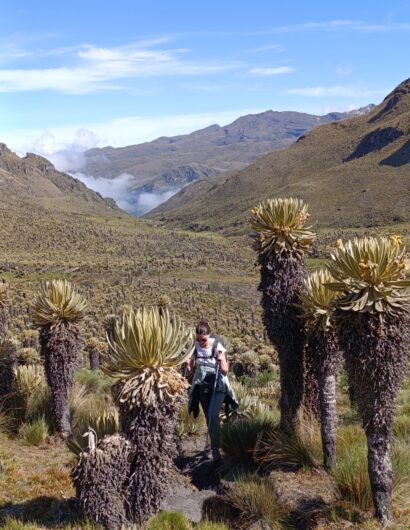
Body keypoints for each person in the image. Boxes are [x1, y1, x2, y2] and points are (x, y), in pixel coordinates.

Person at [188, 320, 238, 462]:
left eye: (202, 339)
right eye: (197, 339)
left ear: (208, 335)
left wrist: (222, 359)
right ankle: (215, 444)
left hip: (217, 384)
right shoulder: (195, 346)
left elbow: (225, 370)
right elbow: (191, 368)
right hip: (202, 385)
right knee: (208, 417)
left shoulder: (217, 346)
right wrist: (189, 363)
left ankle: (216, 449)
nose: (200, 341)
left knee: (212, 415)